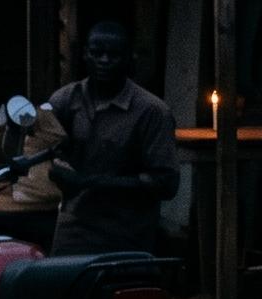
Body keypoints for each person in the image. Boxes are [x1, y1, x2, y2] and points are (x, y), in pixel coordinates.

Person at [45, 21, 181, 256]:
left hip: (126, 232)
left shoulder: (151, 111)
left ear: (129, 59)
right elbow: (43, 148)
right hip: (73, 229)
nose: (104, 61)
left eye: (114, 55)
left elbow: (166, 183)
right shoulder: (65, 101)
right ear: (85, 55)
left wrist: (91, 182)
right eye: (97, 53)